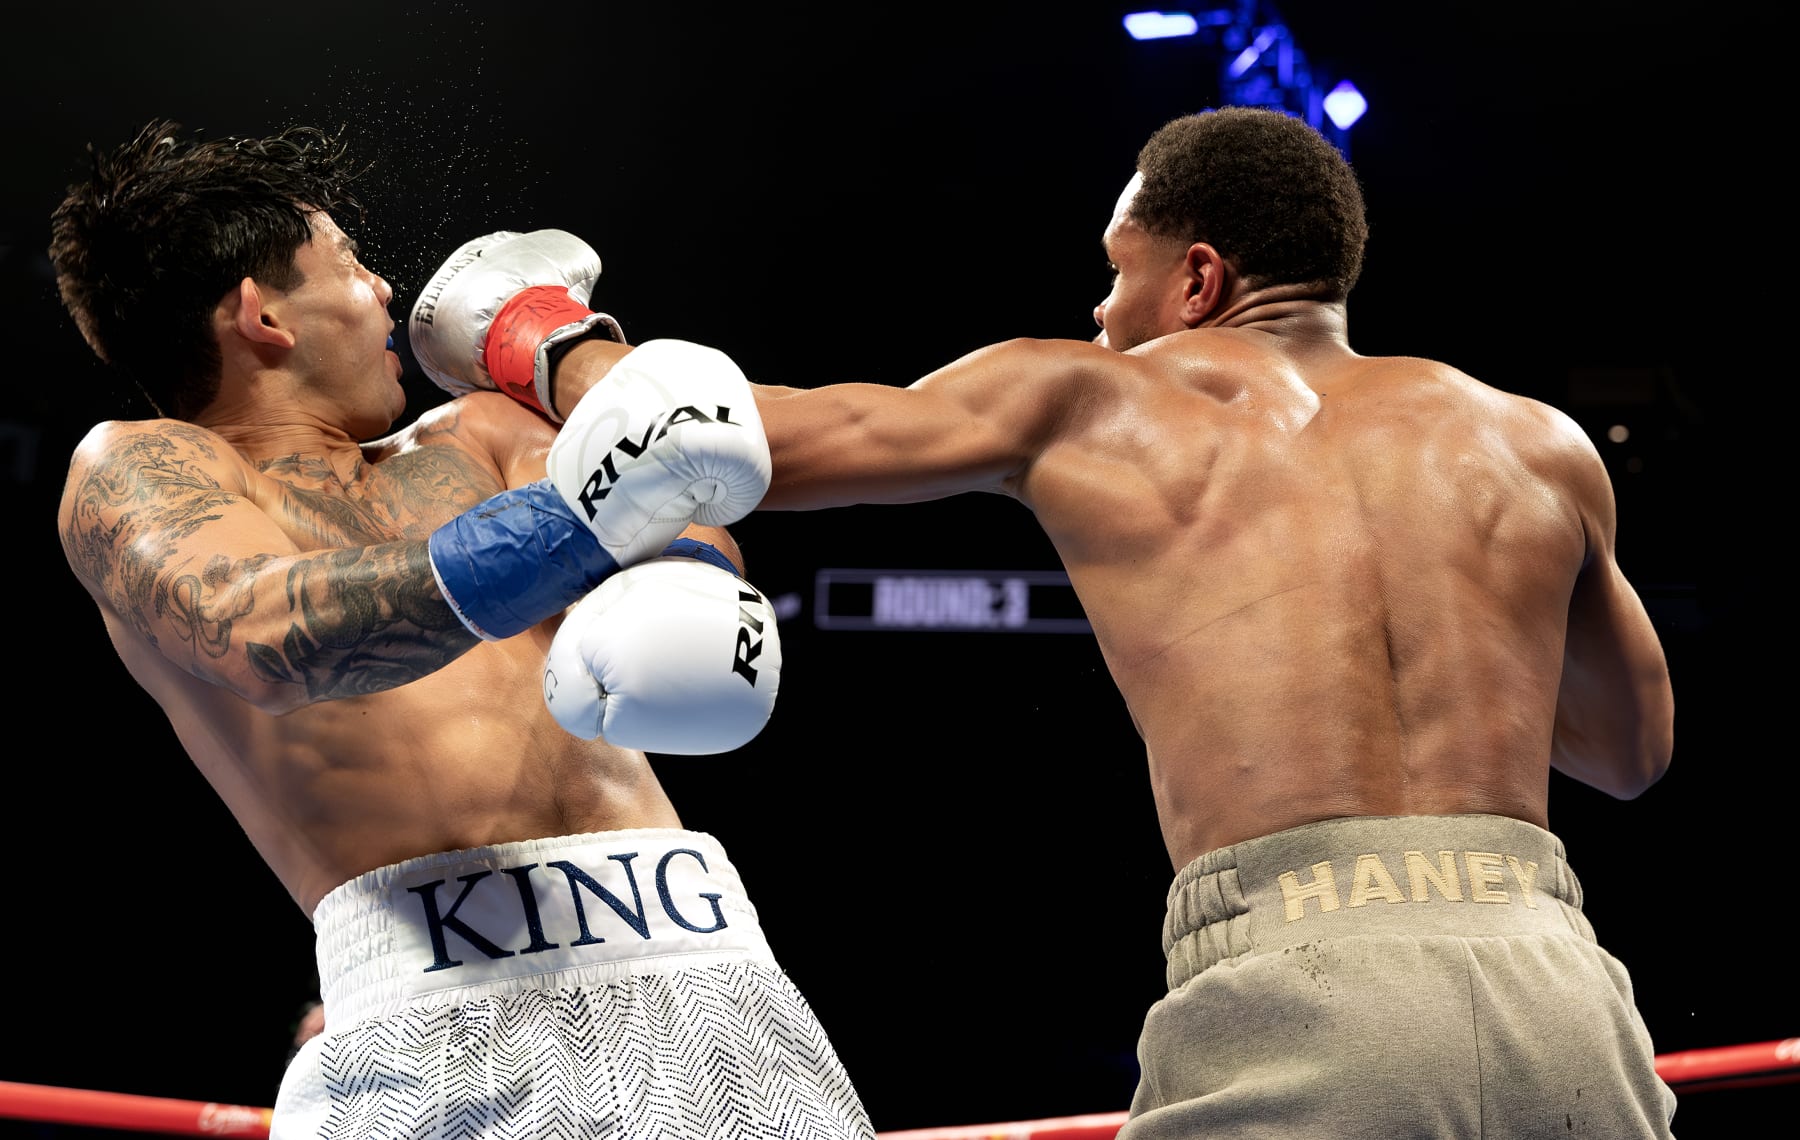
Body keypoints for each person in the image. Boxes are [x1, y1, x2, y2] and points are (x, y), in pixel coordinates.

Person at [451, 106, 1680, 1137]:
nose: (1099, 312)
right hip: (1560, 988)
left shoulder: (1092, 397)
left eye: (1116, 271)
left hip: (1309, 990)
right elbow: (1631, 754)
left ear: (1198, 278)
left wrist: (539, 335)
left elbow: (706, 442)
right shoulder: (1537, 442)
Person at [50, 119, 872, 1140]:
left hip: (709, 976)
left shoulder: (475, 435)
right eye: (349, 263)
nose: (388, 293)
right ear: (262, 315)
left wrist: (692, 571)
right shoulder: (136, 468)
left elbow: (675, 502)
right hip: (436, 1023)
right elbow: (259, 630)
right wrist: (591, 512)